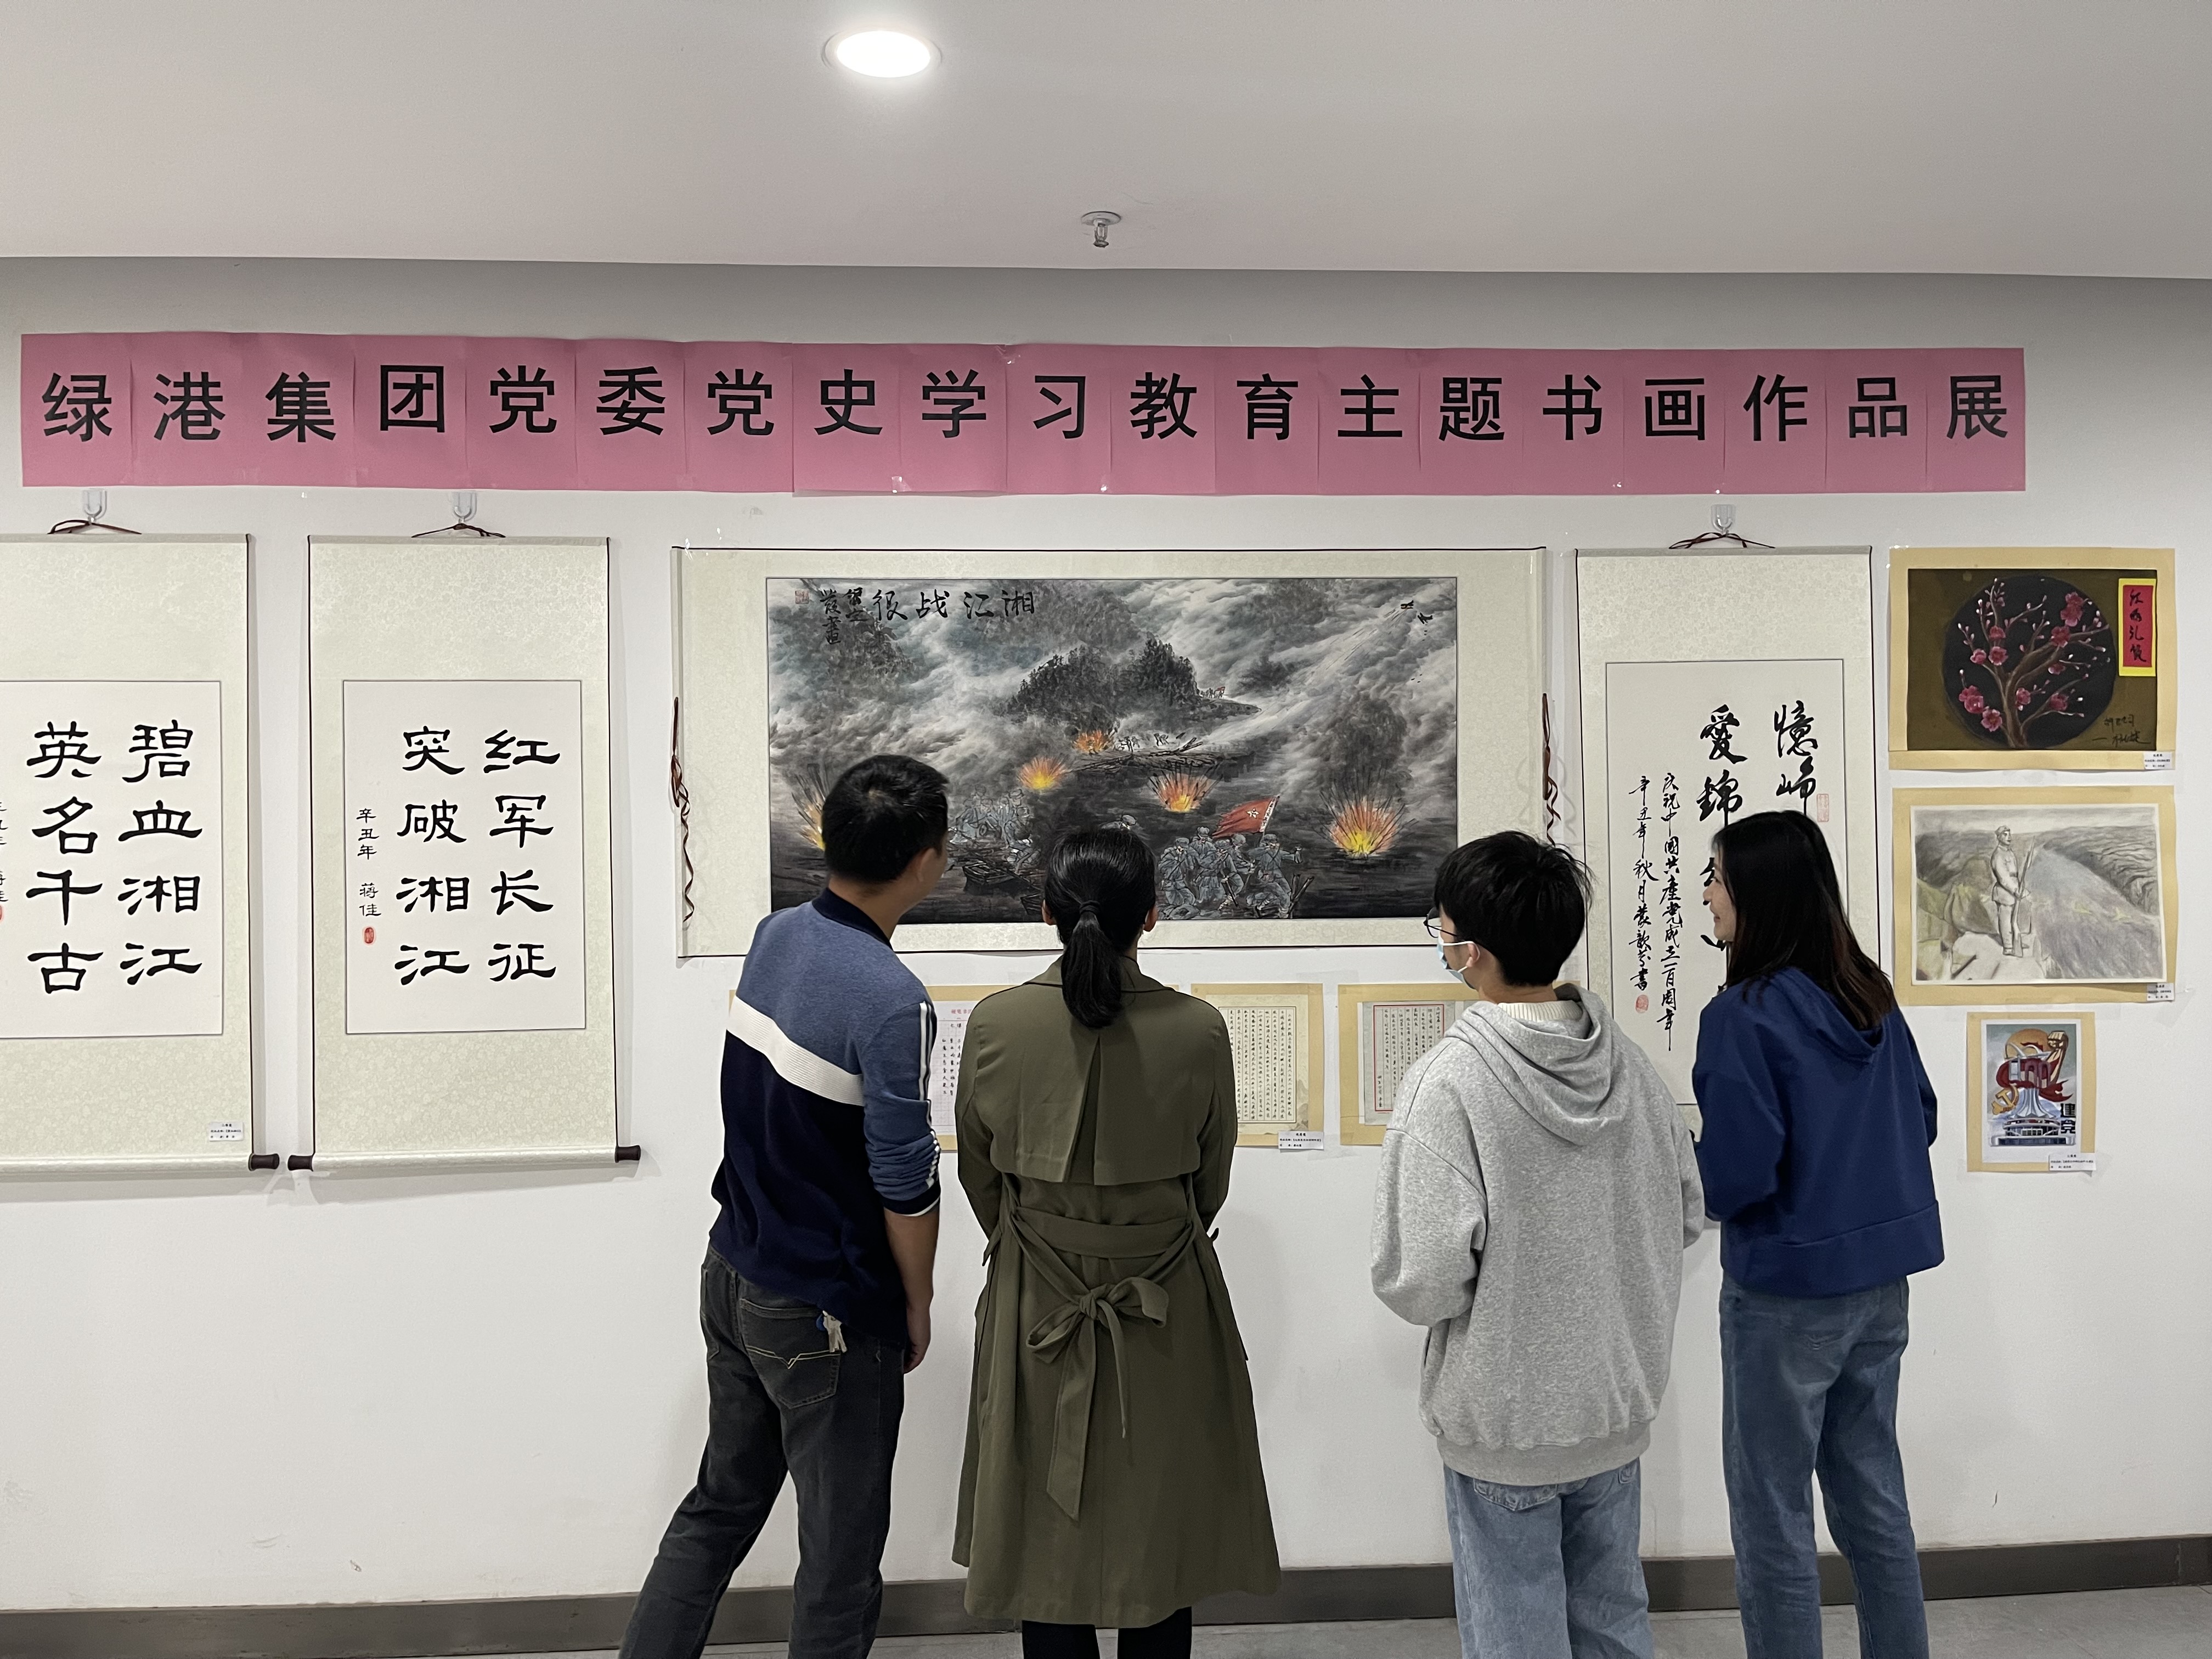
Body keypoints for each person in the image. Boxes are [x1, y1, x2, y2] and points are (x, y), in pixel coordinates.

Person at [619, 755, 951, 1659]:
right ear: (926, 861)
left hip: (734, 1268)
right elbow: (904, 1178)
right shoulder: (893, 1001)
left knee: (719, 1507)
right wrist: (917, 1299)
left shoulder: (777, 936)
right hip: (822, 1307)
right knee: (839, 1564)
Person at [1371, 831, 1703, 1659]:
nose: (1442, 942)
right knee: (1613, 1621)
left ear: (1472, 952)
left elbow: (1421, 1280)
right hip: (1614, 1406)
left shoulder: (1449, 1082)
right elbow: (1685, 1214)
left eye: (1442, 928)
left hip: (1505, 1422)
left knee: (1515, 1633)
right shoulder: (1632, 1069)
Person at [952, 824, 1279, 1659]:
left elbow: (980, 1178)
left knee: (1045, 1529)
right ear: (1153, 915)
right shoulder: (1199, 1030)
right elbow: (1211, 1183)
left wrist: (1040, 1246)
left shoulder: (994, 1025)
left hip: (1036, 1299)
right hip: (1165, 1300)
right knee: (1157, 1525)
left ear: (1046, 912)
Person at [1695, 811, 1944, 1659]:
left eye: (1718, 878)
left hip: (1784, 1293)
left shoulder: (1743, 1015)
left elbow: (1739, 1175)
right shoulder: (1870, 994)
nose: (1708, 894)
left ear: (1758, 894)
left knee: (1773, 1513)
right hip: (1881, 1282)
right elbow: (1921, 1118)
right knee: (1873, 1495)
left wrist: (1687, 1166)